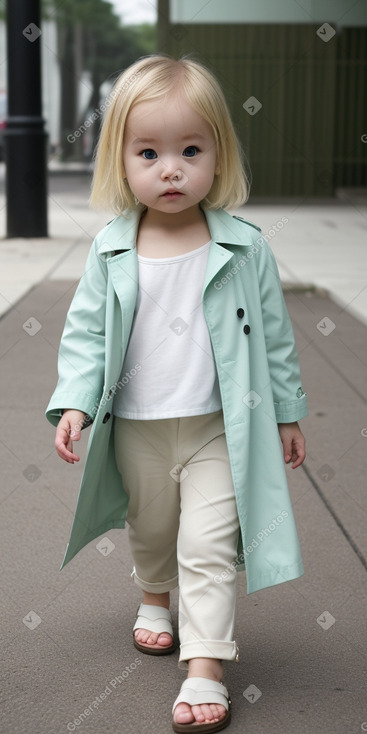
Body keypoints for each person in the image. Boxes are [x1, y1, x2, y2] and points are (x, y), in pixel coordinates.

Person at [46, 54, 308, 733]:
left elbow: (274, 338)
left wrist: (284, 412)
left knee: (208, 543)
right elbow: (84, 338)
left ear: (218, 157)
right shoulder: (112, 249)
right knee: (153, 527)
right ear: (120, 161)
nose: (171, 168)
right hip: (136, 426)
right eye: (149, 152)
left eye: (190, 149)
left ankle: (206, 666)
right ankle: (153, 597)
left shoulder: (244, 248)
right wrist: (73, 402)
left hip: (220, 427)